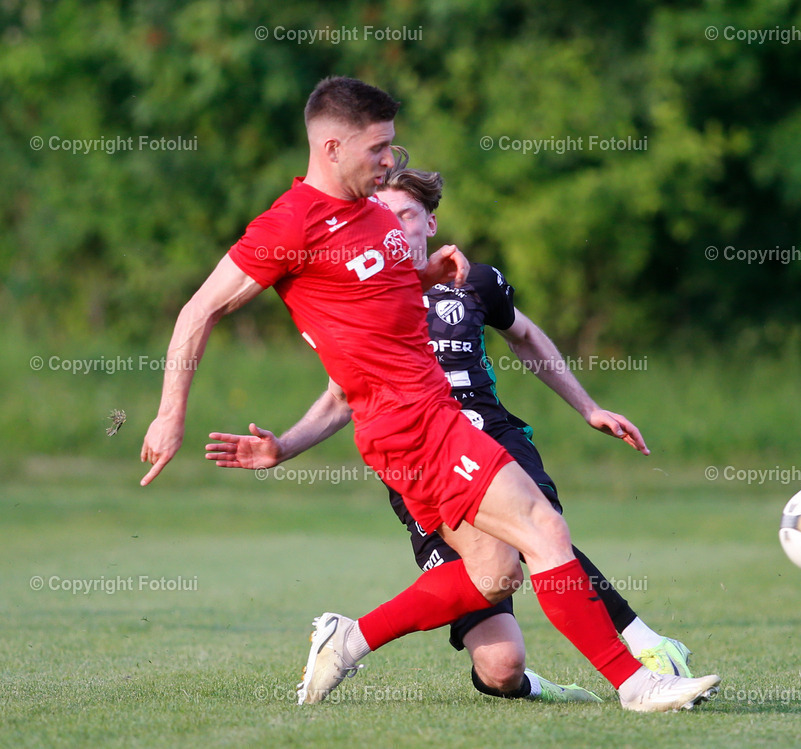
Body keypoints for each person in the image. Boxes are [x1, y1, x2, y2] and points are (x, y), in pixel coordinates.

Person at [140, 75, 721, 712]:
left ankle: (350, 638)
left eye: (392, 144)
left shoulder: (370, 215)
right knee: (544, 529)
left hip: (429, 419)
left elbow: (371, 289)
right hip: (409, 425)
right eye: (377, 147)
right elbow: (198, 311)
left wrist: (426, 272)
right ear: (331, 148)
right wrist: (171, 414)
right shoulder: (288, 224)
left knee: (494, 574)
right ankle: (637, 684)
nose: (390, 159)